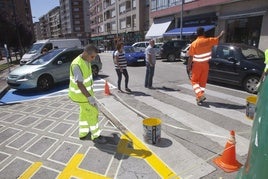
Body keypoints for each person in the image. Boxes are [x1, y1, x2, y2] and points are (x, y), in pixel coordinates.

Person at [68, 44, 106, 144]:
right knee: (93, 113)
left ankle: (83, 133)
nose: (93, 59)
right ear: (85, 53)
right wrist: (90, 98)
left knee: (84, 113)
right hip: (82, 96)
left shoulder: (86, 60)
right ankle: (96, 136)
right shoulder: (77, 65)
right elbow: (80, 84)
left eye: (95, 57)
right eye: (92, 56)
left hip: (83, 95)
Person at [187, 27, 224, 105]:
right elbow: (218, 39)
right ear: (204, 33)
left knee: (194, 81)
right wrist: (222, 34)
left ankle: (200, 95)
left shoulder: (194, 43)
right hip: (205, 65)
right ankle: (200, 97)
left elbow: (191, 56)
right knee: (202, 82)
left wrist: (188, 66)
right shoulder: (208, 41)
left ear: (197, 34)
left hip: (197, 65)